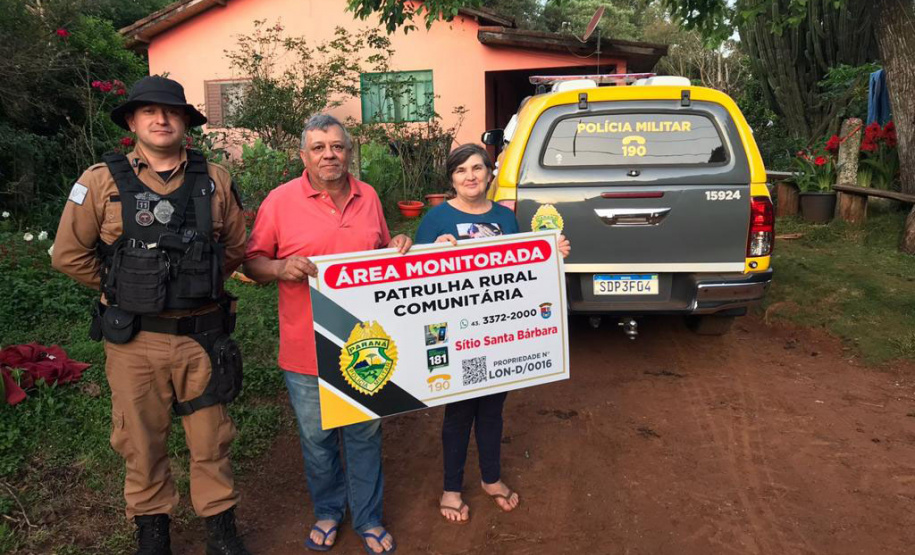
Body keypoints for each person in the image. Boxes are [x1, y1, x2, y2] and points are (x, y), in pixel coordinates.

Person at [51, 76, 250, 555]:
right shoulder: (98, 180)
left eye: (171, 112)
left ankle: (220, 529)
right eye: (148, 112)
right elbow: (68, 254)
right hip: (133, 341)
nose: (161, 120)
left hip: (202, 337)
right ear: (133, 122)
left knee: (211, 439)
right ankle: (152, 529)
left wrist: (194, 281)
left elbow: (237, 249)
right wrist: (123, 285)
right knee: (139, 439)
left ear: (185, 122)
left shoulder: (216, 179)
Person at [244, 114, 411, 554]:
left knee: (364, 433)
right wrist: (280, 267)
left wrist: (396, 246)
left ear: (349, 152)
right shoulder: (279, 202)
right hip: (305, 347)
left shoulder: (369, 196)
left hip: (364, 346)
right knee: (317, 438)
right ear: (303, 156)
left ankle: (369, 517)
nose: (329, 155)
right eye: (319, 148)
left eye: (337, 146)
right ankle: (328, 510)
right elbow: (252, 261)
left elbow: (377, 258)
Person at [414, 144, 570, 524]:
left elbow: (523, 268)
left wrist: (552, 254)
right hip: (453, 334)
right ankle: (451, 487)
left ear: (489, 173)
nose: (470, 176)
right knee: (458, 412)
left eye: (478, 168)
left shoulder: (505, 217)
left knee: (492, 410)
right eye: (461, 170)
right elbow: (413, 275)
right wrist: (430, 250)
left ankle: (490, 478)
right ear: (450, 178)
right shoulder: (436, 219)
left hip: (499, 334)